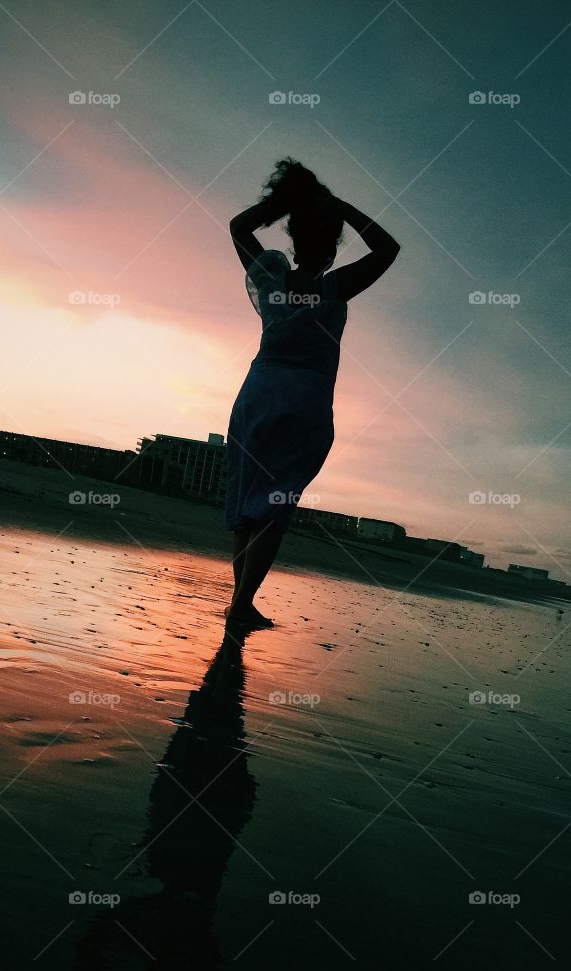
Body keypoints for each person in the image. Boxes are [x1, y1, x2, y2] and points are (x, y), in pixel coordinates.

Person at [224, 158, 400, 631]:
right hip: (303, 403)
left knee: (248, 506)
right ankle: (241, 605)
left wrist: (281, 203)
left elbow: (239, 226)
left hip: (258, 394)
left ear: (297, 241)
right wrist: (340, 205)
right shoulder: (334, 286)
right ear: (330, 246)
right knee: (275, 507)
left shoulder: (273, 278)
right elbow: (388, 249)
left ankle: (241, 602)